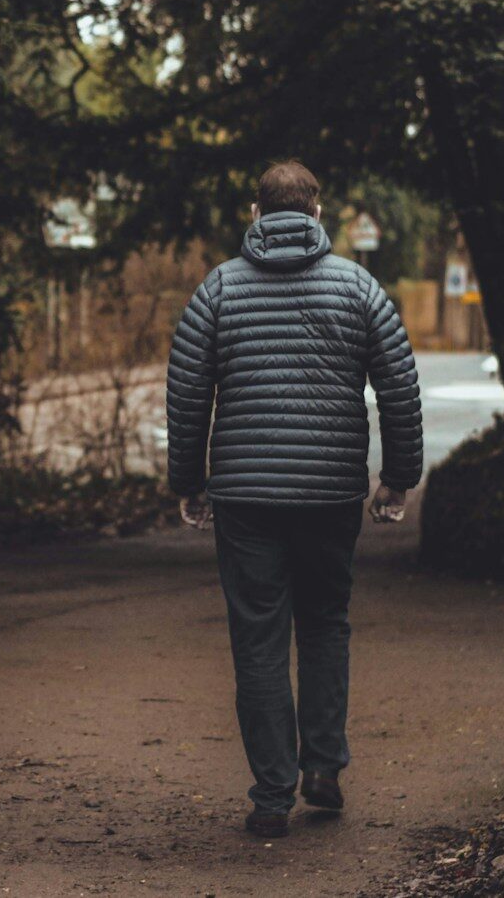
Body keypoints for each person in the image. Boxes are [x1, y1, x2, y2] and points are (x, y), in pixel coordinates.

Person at [166, 159, 422, 838]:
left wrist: (189, 482)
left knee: (258, 635)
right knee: (325, 620)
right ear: (317, 215)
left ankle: (273, 793)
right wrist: (398, 476)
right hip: (332, 489)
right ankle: (324, 767)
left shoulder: (219, 287)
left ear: (255, 214)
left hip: (246, 493)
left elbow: (188, 391)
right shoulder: (358, 286)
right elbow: (399, 385)